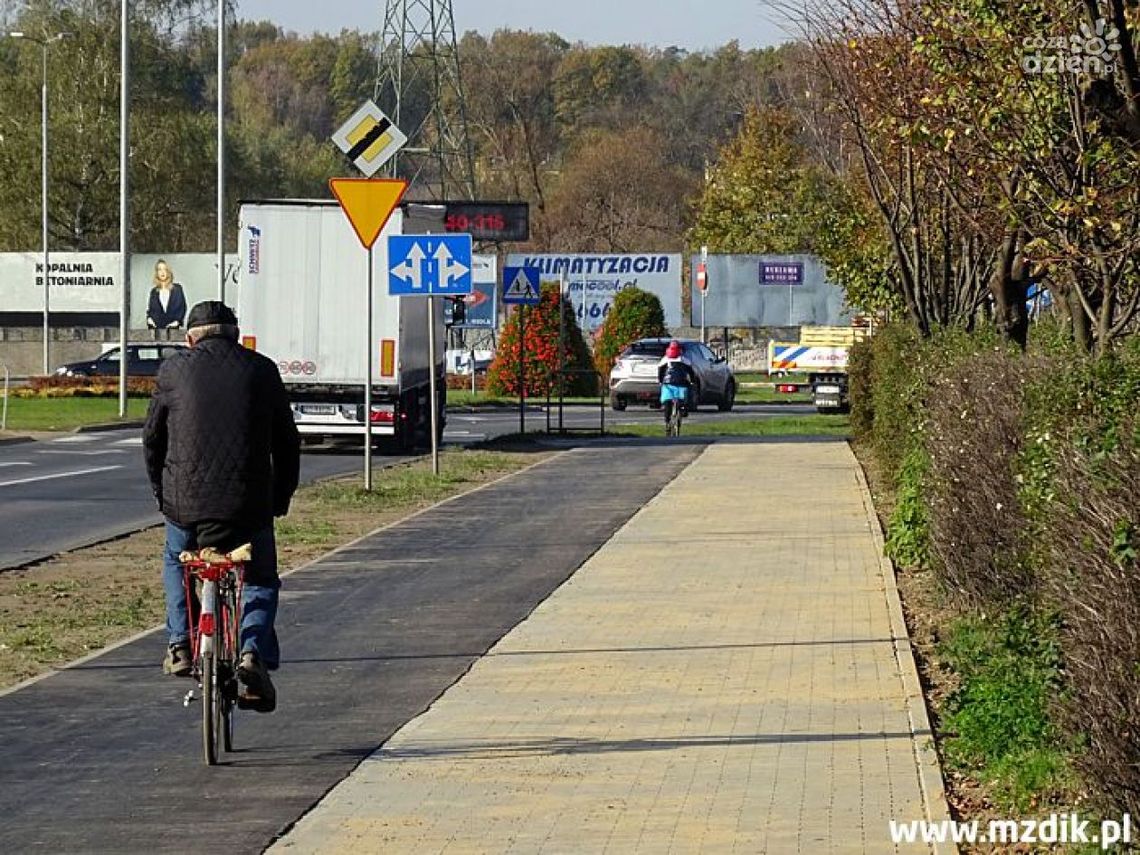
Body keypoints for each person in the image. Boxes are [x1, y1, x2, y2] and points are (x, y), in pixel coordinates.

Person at [143, 301, 300, 713]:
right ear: (236, 335)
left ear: (190, 338)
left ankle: (179, 643)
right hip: (249, 505)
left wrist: (163, 495)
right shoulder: (262, 369)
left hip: (186, 506)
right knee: (261, 579)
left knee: (176, 562)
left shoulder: (173, 370)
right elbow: (287, 442)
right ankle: (251, 653)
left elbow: (152, 441)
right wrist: (279, 499)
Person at [657, 340, 697, 426]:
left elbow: (660, 372)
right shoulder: (684, 359)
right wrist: (692, 381)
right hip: (681, 383)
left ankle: (667, 420)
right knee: (686, 394)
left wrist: (660, 381)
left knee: (667, 401)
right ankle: (684, 409)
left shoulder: (665, 359)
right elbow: (691, 372)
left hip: (668, 383)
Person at [146, 259, 188, 331]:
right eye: (159, 269)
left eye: (165, 269)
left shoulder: (177, 289)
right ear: (157, 273)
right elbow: (151, 311)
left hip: (173, 329)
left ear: (168, 272)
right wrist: (149, 320)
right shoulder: (154, 292)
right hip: (157, 330)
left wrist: (177, 322)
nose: (162, 272)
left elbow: (182, 307)